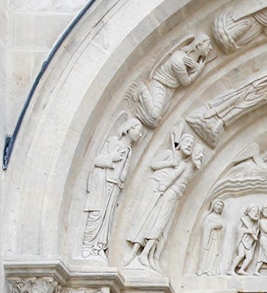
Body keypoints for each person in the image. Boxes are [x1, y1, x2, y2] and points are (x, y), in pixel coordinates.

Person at [123, 133, 202, 267]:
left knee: (159, 225)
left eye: (192, 144)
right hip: (156, 188)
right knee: (148, 219)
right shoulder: (170, 155)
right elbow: (154, 165)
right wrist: (170, 165)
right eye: (187, 141)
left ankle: (150, 255)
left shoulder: (187, 165)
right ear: (179, 143)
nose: (189, 145)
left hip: (169, 193)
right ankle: (136, 251)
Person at [81, 116, 143, 260]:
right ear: (129, 128)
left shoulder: (129, 150)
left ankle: (99, 246)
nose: (140, 135)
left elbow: (125, 168)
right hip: (103, 182)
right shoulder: (112, 142)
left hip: (115, 186)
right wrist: (112, 158)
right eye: (138, 131)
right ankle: (87, 245)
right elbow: (97, 160)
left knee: (107, 219)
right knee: (97, 213)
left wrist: (121, 178)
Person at [196, 200, 226, 275]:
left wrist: (220, 227)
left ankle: (210, 270)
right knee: (205, 252)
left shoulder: (221, 218)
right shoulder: (208, 216)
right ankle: (201, 269)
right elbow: (204, 227)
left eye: (221, 206)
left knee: (214, 254)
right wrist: (213, 226)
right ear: (213, 205)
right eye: (217, 204)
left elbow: (223, 228)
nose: (219, 207)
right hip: (208, 239)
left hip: (217, 239)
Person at [231, 206, 262, 273]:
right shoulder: (244, 219)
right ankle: (231, 270)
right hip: (242, 240)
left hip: (250, 242)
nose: (255, 213)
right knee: (241, 255)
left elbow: (257, 231)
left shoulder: (257, 222)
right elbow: (239, 229)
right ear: (248, 212)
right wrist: (247, 230)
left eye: (257, 212)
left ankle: (241, 270)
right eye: (254, 211)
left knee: (249, 257)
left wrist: (255, 233)